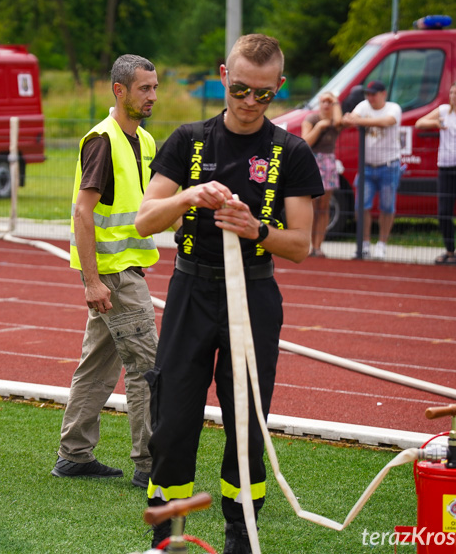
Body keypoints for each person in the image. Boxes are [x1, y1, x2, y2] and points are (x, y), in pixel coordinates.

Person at [134, 34, 323, 553]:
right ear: (224, 76)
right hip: (191, 287)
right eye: (240, 89)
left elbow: (302, 245)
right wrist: (190, 195)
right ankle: (166, 531)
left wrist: (256, 228)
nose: (248, 102)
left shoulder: (291, 151)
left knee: (246, 419)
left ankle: (241, 531)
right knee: (172, 417)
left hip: (254, 297)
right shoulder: (188, 139)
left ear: (279, 87)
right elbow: (144, 219)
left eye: (263, 93)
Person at [51, 55, 160, 488]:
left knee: (97, 365)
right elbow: (83, 211)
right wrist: (93, 280)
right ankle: (151, 464)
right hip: (115, 275)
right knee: (148, 367)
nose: (152, 95)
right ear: (120, 90)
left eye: (154, 87)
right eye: (144, 88)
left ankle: (74, 454)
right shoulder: (102, 140)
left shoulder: (145, 141)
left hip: (123, 269)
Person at [415, 80, 456, 265]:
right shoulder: (443, 110)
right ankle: (449, 250)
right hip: (446, 166)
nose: (452, 97)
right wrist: (436, 122)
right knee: (444, 211)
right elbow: (419, 123)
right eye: (451, 93)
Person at [342, 80, 403, 259]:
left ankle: (382, 244)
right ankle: (365, 243)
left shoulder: (393, 108)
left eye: (373, 94)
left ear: (383, 94)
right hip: (367, 166)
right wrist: (350, 118)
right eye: (368, 94)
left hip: (389, 165)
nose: (370, 98)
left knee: (387, 206)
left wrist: (358, 120)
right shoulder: (363, 105)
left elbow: (387, 121)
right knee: (361, 205)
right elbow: (348, 119)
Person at [302, 91, 342, 257]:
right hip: (313, 162)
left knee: (324, 207)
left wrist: (336, 102)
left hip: (328, 163)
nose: (326, 104)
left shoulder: (335, 121)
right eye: (324, 101)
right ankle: (307, 245)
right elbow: (306, 141)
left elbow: (339, 121)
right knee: (311, 206)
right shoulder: (312, 119)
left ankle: (318, 246)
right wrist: (319, 127)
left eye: (329, 102)